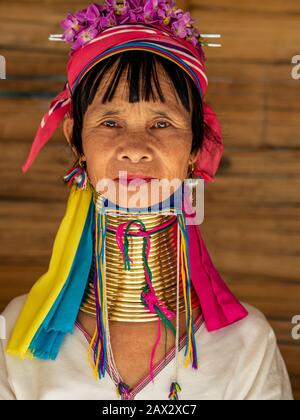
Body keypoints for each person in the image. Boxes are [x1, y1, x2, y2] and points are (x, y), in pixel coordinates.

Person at [0, 0, 294, 400]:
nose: (135, 148)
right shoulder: (16, 331)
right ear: (75, 139)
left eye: (161, 123)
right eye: (110, 122)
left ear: (196, 145)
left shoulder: (246, 344)